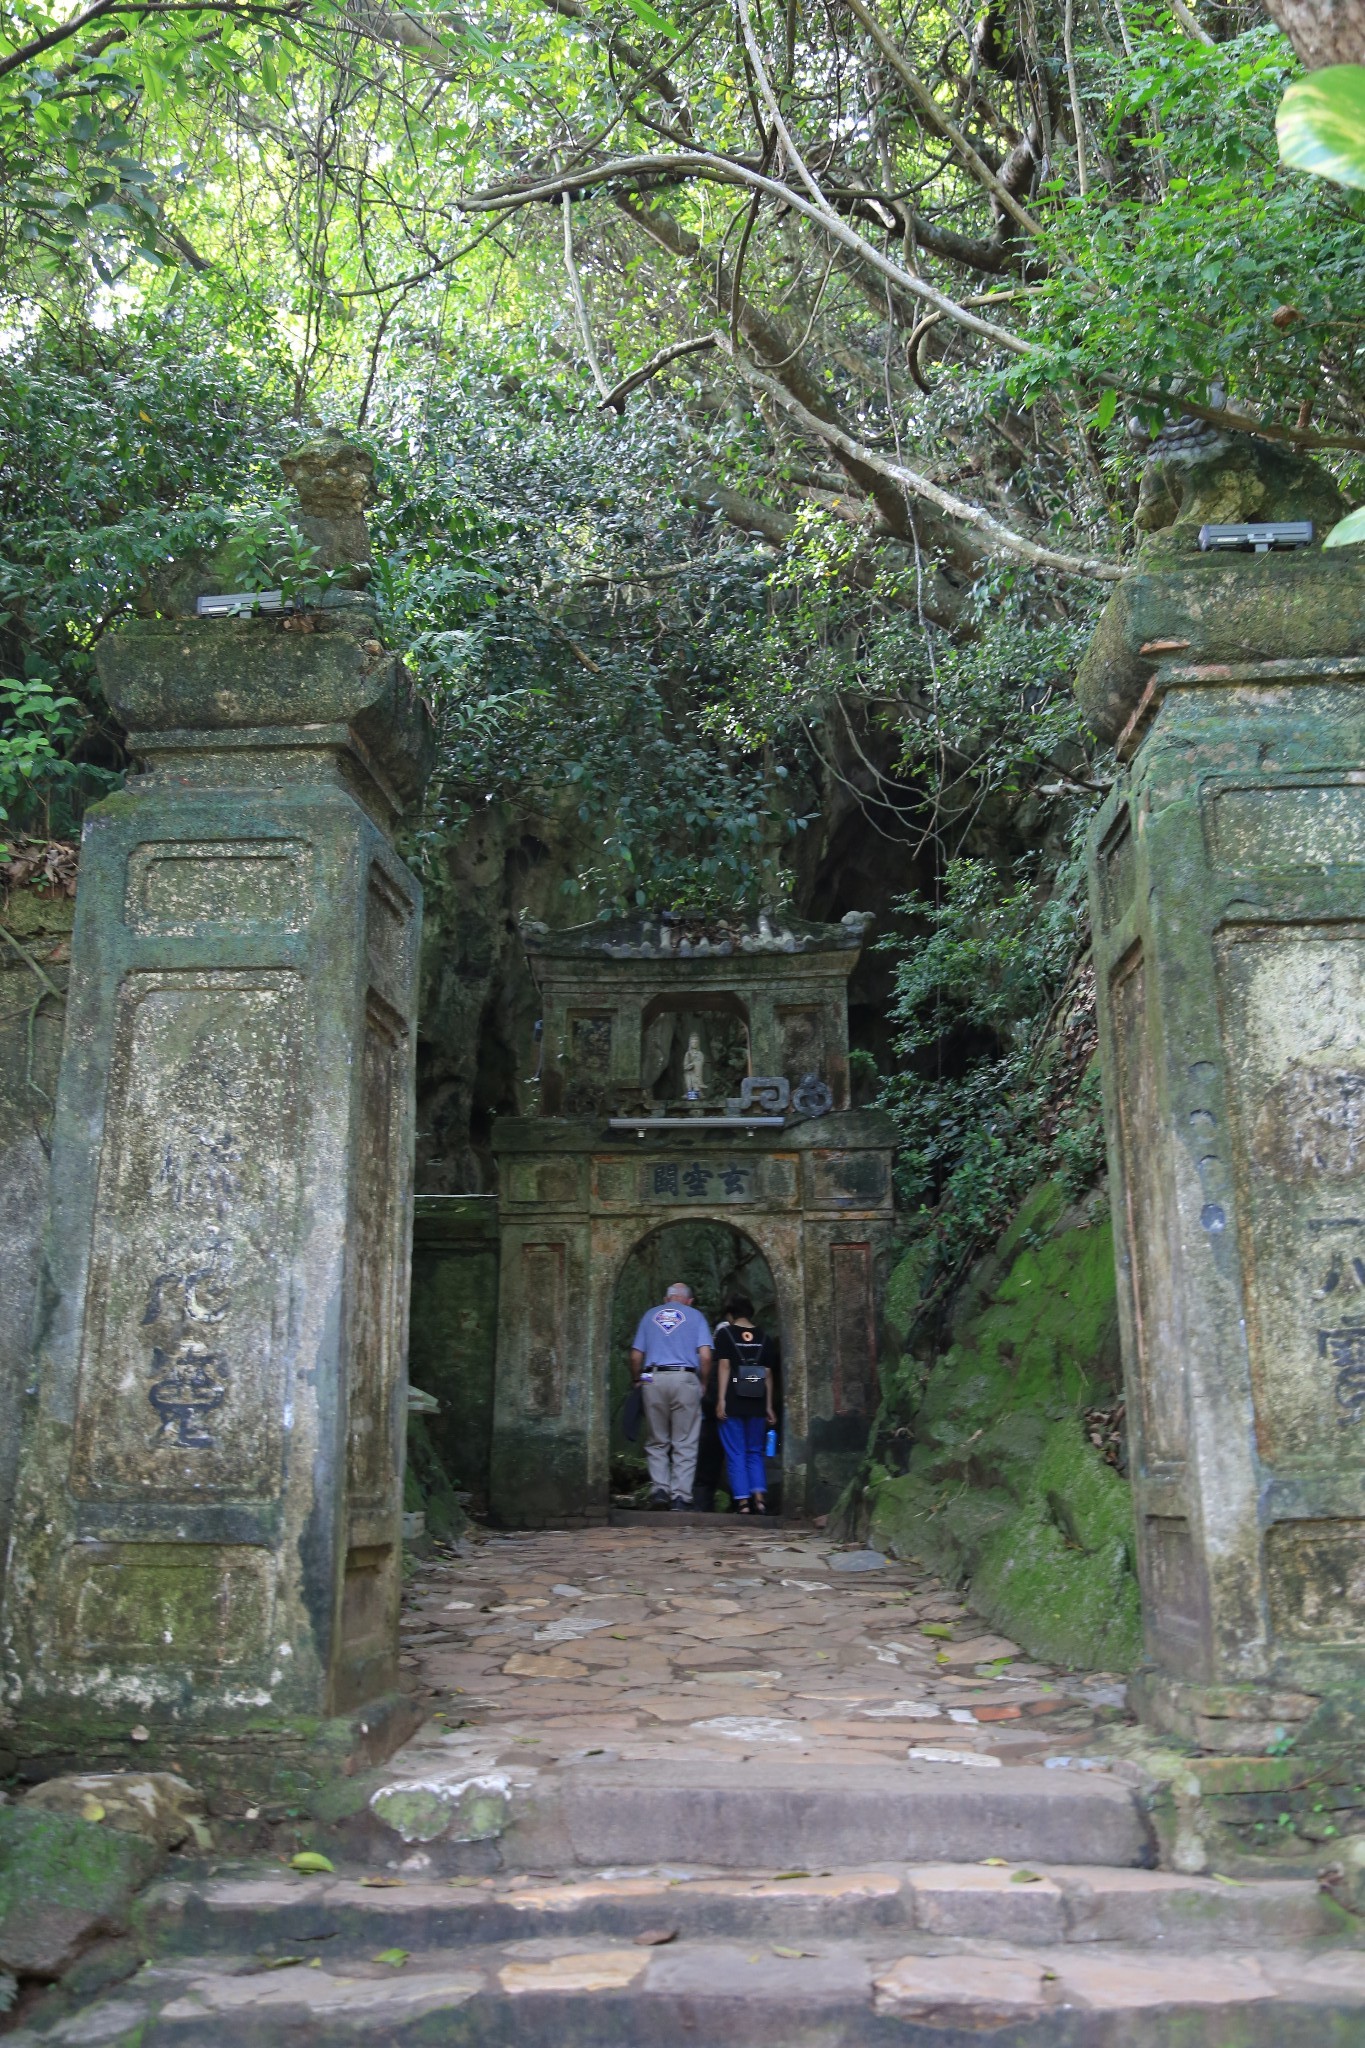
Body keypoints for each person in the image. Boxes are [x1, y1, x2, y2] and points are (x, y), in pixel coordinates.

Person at [630, 1281, 714, 1510]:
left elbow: (636, 1356)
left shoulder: (649, 1316)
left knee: (657, 1439)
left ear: (667, 1299)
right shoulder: (696, 1316)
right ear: (689, 1301)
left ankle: (659, 1491)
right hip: (685, 1377)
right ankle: (680, 1497)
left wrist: (639, 1380)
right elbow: (705, 1357)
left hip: (652, 1377)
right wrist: (703, 1383)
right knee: (684, 1441)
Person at [714, 1292, 778, 1514]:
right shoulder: (764, 1337)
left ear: (731, 1314)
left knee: (736, 1451)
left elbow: (723, 1367)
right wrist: (769, 1406)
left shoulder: (725, 1334)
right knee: (755, 1451)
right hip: (757, 1400)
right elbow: (768, 1374)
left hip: (733, 1399)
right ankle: (759, 1499)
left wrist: (721, 1400)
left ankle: (742, 1502)